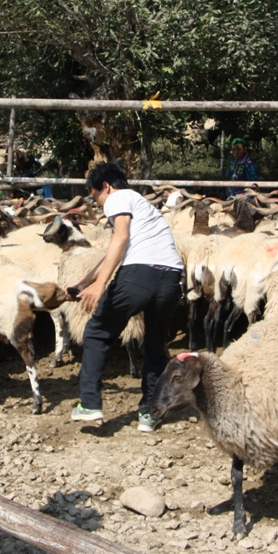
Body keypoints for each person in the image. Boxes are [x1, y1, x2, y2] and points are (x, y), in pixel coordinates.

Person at [67, 162, 183, 432]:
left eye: (94, 194)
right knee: (155, 345)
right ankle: (149, 413)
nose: (95, 202)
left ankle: (90, 403)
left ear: (106, 186)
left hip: (139, 276)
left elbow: (119, 239)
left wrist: (101, 286)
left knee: (97, 332)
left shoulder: (118, 197)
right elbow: (117, 250)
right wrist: (84, 282)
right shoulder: (142, 205)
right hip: (171, 278)